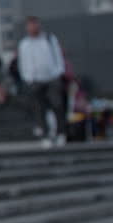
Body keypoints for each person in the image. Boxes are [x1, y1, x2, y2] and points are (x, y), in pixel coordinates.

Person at [17, 15, 67, 148]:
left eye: (35, 24)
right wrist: (27, 77)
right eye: (30, 25)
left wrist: (59, 72)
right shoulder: (24, 44)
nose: (33, 27)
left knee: (57, 105)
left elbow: (58, 56)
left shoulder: (49, 39)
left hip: (51, 78)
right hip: (35, 80)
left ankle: (61, 133)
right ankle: (45, 135)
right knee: (39, 108)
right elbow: (23, 62)